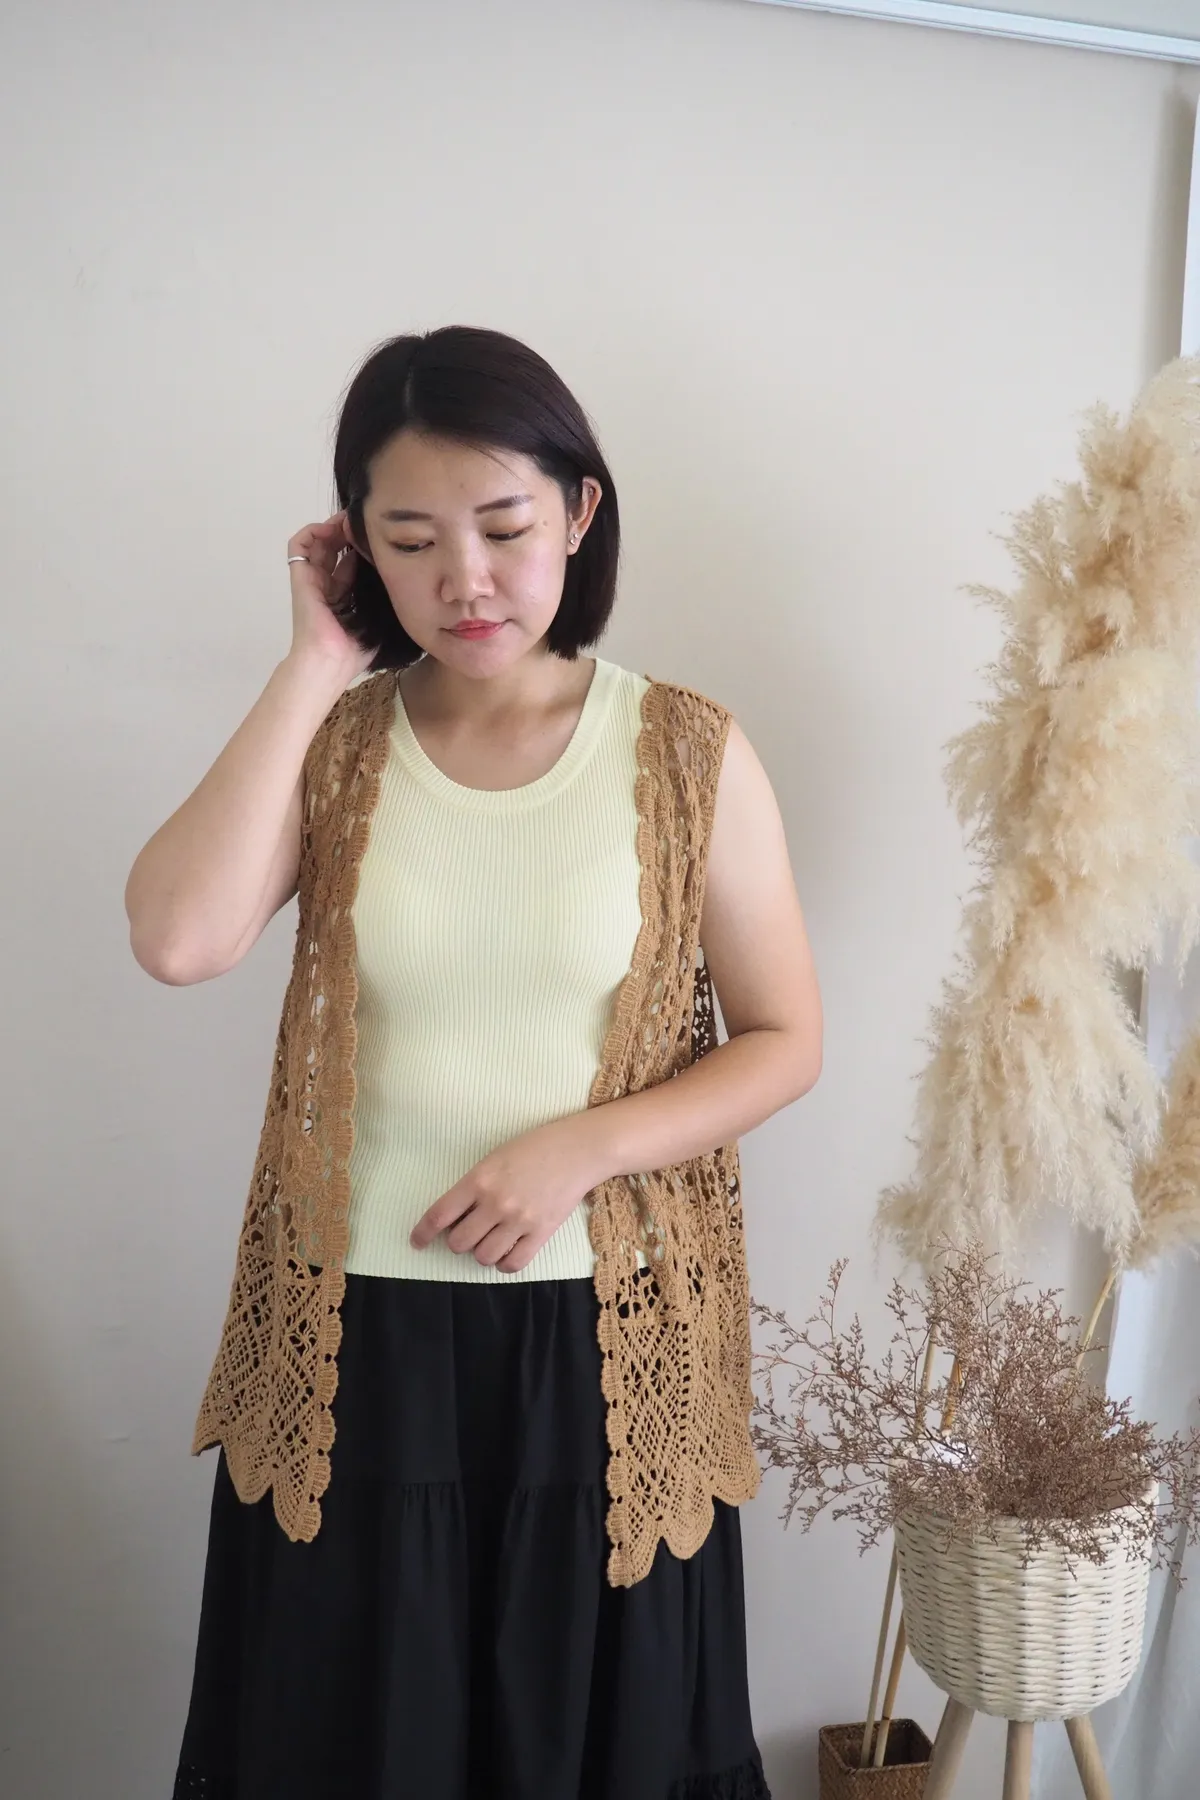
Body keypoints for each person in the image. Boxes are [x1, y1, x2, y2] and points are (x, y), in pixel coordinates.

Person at [126, 325, 823, 1800]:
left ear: (579, 511)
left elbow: (784, 1038)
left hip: (607, 1352)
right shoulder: (339, 747)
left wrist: (582, 1148)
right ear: (356, 549)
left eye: (505, 528)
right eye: (410, 541)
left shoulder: (686, 750)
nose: (466, 579)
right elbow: (180, 939)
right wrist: (314, 662)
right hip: (354, 1346)